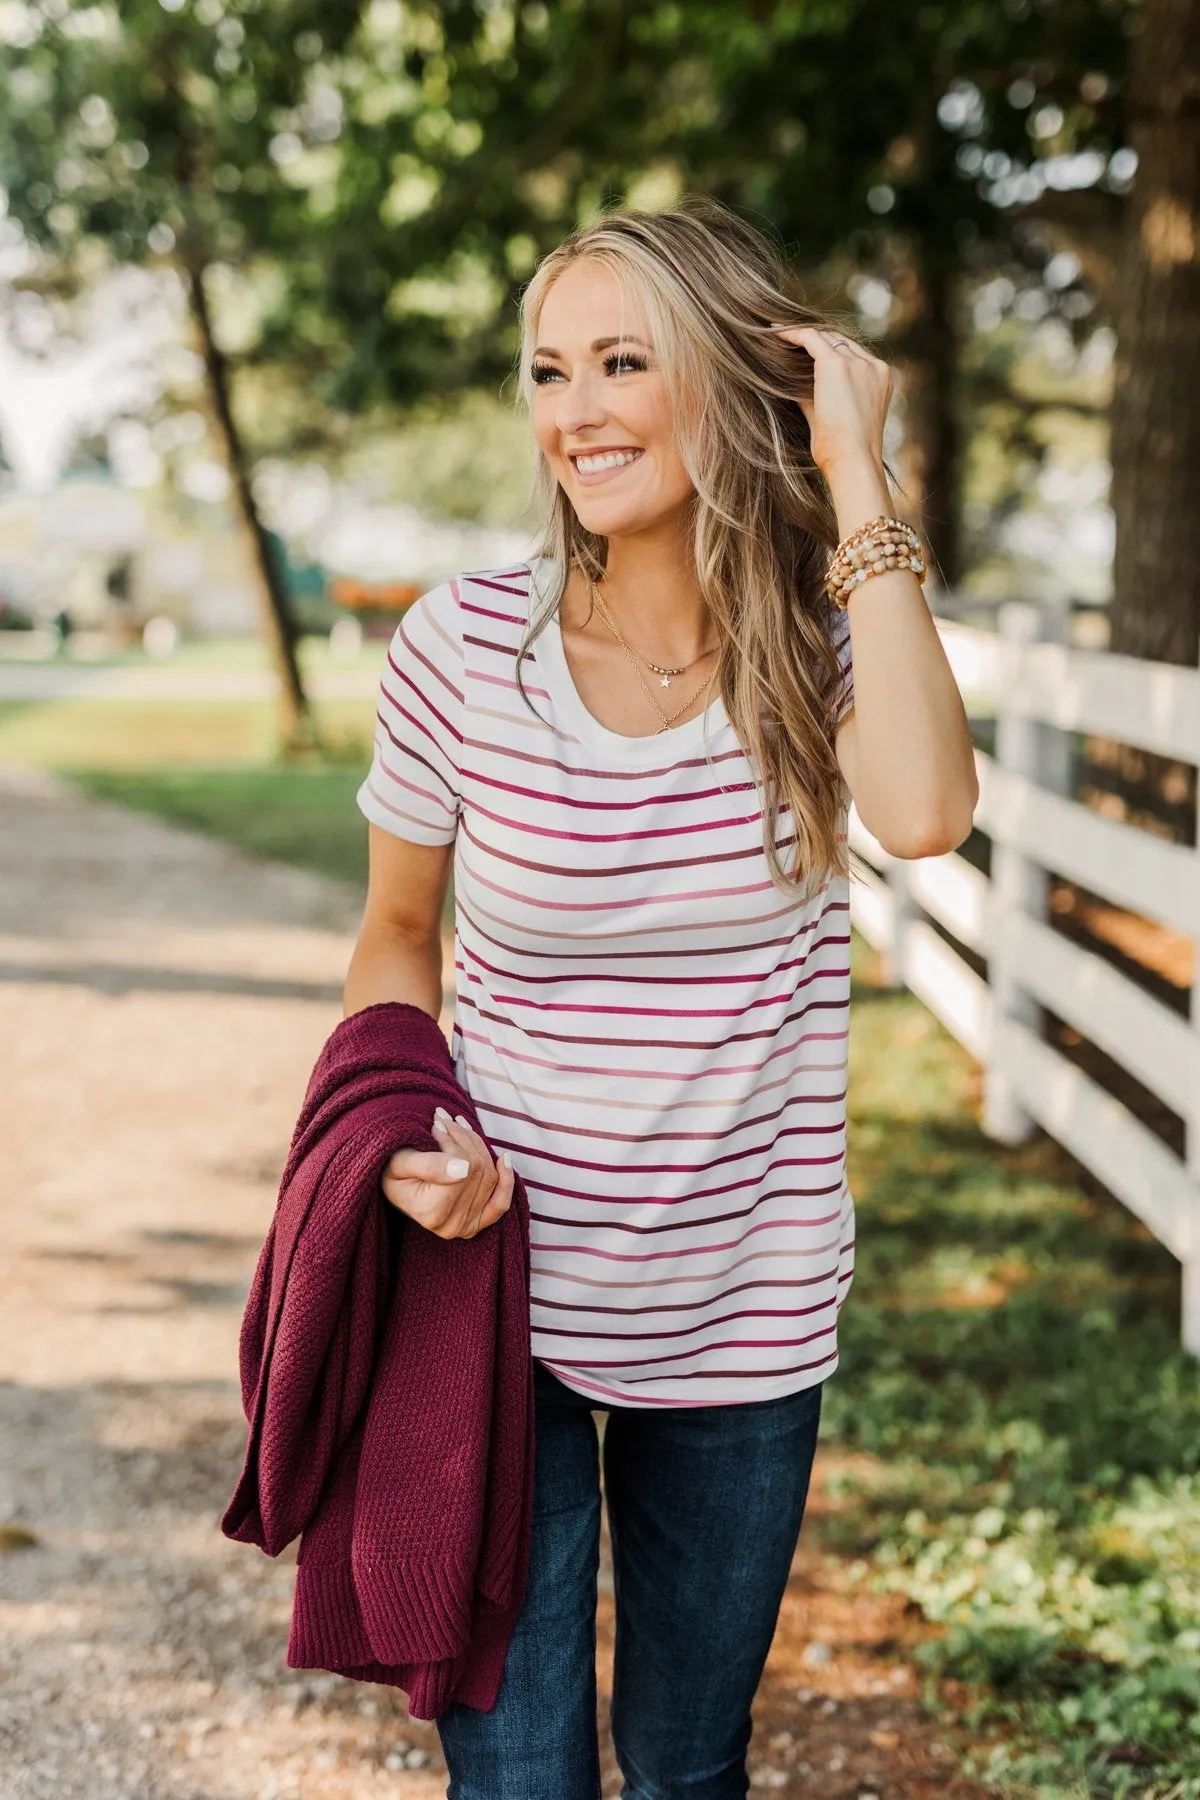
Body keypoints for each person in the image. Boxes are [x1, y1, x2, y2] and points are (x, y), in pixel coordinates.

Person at [345, 199, 978, 1800]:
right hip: (500, 1291)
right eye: (550, 371)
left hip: (748, 1306)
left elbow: (922, 812)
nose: (576, 412)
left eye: (626, 362)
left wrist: (857, 467)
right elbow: (396, 936)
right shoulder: (462, 647)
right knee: (522, 1774)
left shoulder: (830, 651)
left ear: (730, 375)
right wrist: (417, 1123)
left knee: (690, 1763)